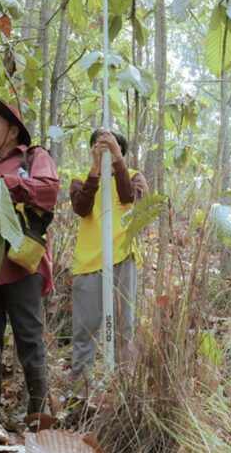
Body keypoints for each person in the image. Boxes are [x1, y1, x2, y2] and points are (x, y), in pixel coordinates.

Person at [0, 97, 59, 418]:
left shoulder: (34, 157)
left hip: (19, 264)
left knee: (29, 338)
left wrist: (7, 183)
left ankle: (38, 416)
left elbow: (48, 190)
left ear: (13, 130)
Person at [69, 128, 146, 379]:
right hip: (89, 261)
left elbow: (128, 197)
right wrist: (95, 171)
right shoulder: (81, 178)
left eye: (110, 147)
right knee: (85, 328)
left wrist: (116, 160)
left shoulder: (134, 176)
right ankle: (82, 389)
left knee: (124, 326)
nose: (102, 151)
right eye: (97, 147)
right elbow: (81, 208)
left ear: (120, 150)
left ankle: (125, 385)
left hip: (123, 257)